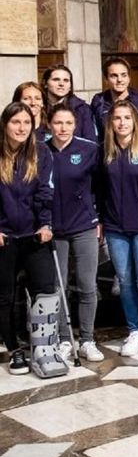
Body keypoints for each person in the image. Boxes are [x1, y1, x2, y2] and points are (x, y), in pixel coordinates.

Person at [99, 101, 138, 358]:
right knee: (125, 282)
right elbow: (99, 189)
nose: (122, 123)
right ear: (110, 123)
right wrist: (100, 219)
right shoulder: (104, 152)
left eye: (127, 117)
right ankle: (134, 329)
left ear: (136, 121)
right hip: (115, 227)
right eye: (117, 118)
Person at [0, 103, 56, 374]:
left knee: (45, 290)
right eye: (15, 122)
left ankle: (45, 347)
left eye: (26, 122)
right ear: (5, 125)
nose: (21, 128)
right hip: (5, 237)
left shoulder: (41, 152)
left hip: (34, 235)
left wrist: (45, 223)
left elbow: (45, 191)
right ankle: (14, 350)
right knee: (5, 297)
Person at [47, 106, 104, 362]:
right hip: (53, 230)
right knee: (58, 287)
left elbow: (101, 186)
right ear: (49, 125)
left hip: (83, 225)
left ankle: (88, 339)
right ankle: (63, 339)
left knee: (87, 285)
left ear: (75, 125)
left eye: (68, 123)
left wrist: (98, 216)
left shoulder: (89, 149)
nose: (63, 128)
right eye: (58, 123)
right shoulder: (41, 151)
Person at [92, 56, 138, 140]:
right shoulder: (99, 103)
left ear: (129, 78)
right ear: (106, 80)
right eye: (114, 76)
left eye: (124, 75)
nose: (119, 80)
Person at [43, 64, 98, 142]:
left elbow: (90, 142)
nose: (61, 84)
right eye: (56, 79)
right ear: (45, 83)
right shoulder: (38, 108)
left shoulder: (82, 109)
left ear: (70, 86)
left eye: (66, 80)